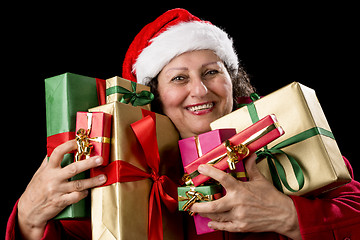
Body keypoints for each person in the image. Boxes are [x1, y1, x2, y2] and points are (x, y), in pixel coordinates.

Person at [6, 8, 360, 240]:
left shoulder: (285, 137)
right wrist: (28, 220)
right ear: (155, 96)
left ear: (232, 81)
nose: (199, 90)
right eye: (178, 79)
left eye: (211, 72)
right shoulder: (119, 166)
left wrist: (290, 217)